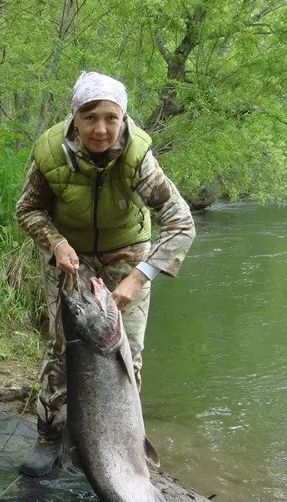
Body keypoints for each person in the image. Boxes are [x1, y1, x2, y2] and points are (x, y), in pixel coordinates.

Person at [15, 71, 196, 477]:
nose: (101, 129)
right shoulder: (49, 153)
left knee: (126, 357)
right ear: (74, 117)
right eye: (90, 116)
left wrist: (139, 276)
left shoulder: (138, 159)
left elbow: (182, 223)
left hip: (127, 256)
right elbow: (27, 210)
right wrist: (56, 242)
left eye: (111, 118)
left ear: (124, 118)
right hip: (69, 258)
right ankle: (49, 438)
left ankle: (127, 454)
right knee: (62, 353)